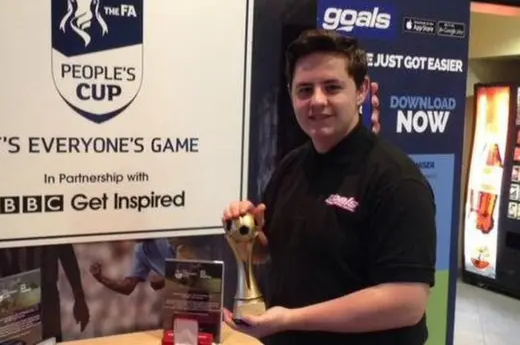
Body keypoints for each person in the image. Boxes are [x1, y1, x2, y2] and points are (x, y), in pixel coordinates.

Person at [221, 29, 436, 345]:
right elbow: (271, 252)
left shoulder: (396, 179)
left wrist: (290, 319)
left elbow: (407, 303)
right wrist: (245, 237)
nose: (317, 101)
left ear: (361, 90)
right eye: (304, 89)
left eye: (332, 87)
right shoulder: (291, 166)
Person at [90, 238, 176, 294]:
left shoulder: (168, 237)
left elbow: (188, 268)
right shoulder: (140, 250)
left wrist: (166, 279)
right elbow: (127, 287)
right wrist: (100, 278)